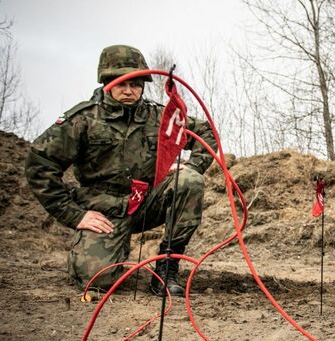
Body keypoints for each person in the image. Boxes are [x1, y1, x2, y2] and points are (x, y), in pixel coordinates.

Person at [25, 45, 217, 297]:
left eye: (136, 84)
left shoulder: (157, 116)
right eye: (120, 83)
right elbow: (40, 164)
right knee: (96, 280)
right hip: (104, 211)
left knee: (189, 180)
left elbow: (206, 133)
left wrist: (191, 166)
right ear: (106, 82)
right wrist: (74, 215)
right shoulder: (83, 119)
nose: (129, 90)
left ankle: (167, 265)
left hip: (147, 202)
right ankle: (110, 248)